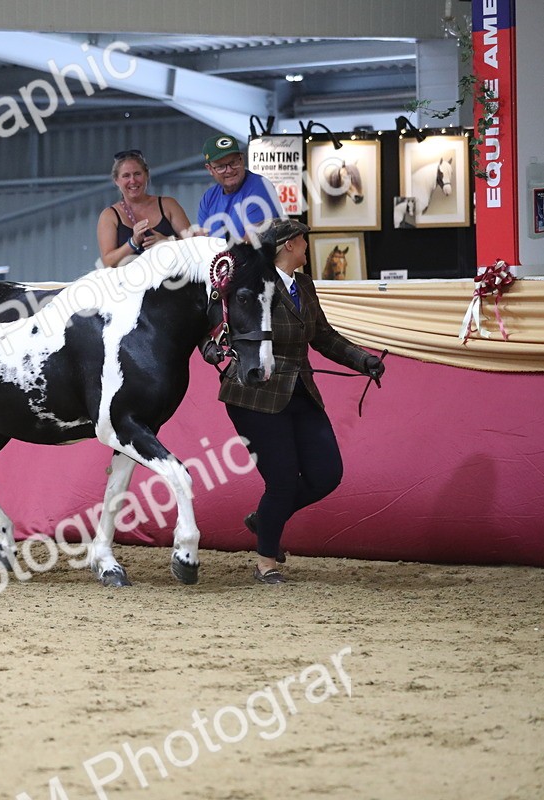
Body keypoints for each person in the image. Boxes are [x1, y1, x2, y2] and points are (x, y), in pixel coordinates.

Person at [219, 218, 385, 585]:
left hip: (300, 389)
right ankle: (265, 562)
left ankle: (264, 521)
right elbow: (223, 326)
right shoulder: (253, 284)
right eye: (304, 241)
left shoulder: (304, 284)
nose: (308, 248)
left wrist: (363, 360)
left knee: (327, 474)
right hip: (255, 394)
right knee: (281, 481)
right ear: (290, 244)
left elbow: (323, 336)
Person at [96, 149, 192, 267]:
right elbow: (107, 262)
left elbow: (193, 244)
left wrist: (167, 241)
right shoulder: (109, 215)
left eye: (137, 174)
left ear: (146, 175)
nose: (133, 180)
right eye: (126, 176)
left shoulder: (168, 205)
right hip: (131, 283)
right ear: (116, 181)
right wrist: (133, 242)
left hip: (173, 280)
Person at [197, 134, 284, 242]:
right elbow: (202, 241)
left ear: (242, 160)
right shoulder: (208, 197)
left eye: (233, 162)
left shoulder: (260, 187)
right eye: (221, 167)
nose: (229, 170)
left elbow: (250, 246)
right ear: (210, 169)